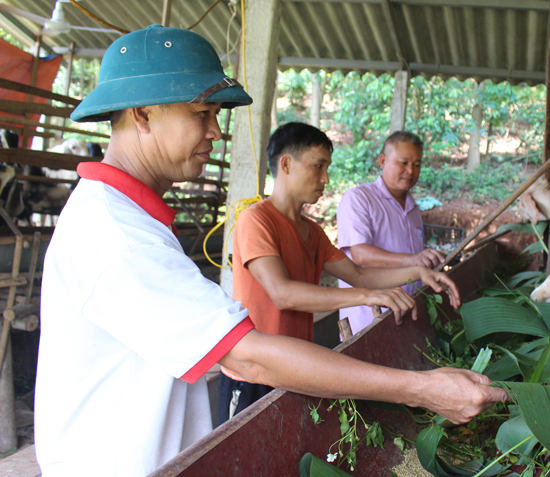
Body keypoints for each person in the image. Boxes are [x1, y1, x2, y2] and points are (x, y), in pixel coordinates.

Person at [34, 25, 507, 476]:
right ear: (142, 115)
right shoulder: (118, 236)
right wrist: (419, 389)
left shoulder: (130, 218)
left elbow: (357, 274)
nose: (216, 131)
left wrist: (405, 280)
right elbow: (252, 351)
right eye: (202, 114)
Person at [219, 122, 462, 424]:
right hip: (251, 371)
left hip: (294, 368)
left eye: (327, 168)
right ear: (286, 164)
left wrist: (417, 273)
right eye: (319, 166)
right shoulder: (256, 221)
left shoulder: (313, 231)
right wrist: (365, 295)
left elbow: (360, 274)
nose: (326, 178)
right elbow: (283, 294)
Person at [337, 131, 445, 333]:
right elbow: (360, 254)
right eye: (403, 162)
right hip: (369, 319)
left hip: (408, 314)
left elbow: (412, 258)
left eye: (417, 165)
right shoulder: (359, 199)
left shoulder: (413, 208)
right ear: (383, 160)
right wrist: (412, 260)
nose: (410, 171)